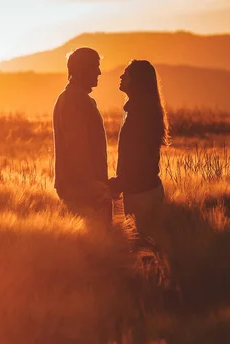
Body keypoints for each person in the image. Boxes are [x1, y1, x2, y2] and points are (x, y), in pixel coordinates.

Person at [108, 60, 170, 240]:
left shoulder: (141, 114)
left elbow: (138, 160)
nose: (121, 76)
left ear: (137, 80)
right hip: (143, 191)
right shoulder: (140, 110)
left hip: (141, 194)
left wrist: (118, 183)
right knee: (148, 247)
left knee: (145, 248)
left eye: (126, 73)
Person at [53, 47, 111, 224]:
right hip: (82, 189)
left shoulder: (74, 98)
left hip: (82, 187)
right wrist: (91, 184)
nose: (99, 72)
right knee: (97, 244)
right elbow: (77, 147)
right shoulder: (75, 101)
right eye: (95, 66)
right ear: (81, 69)